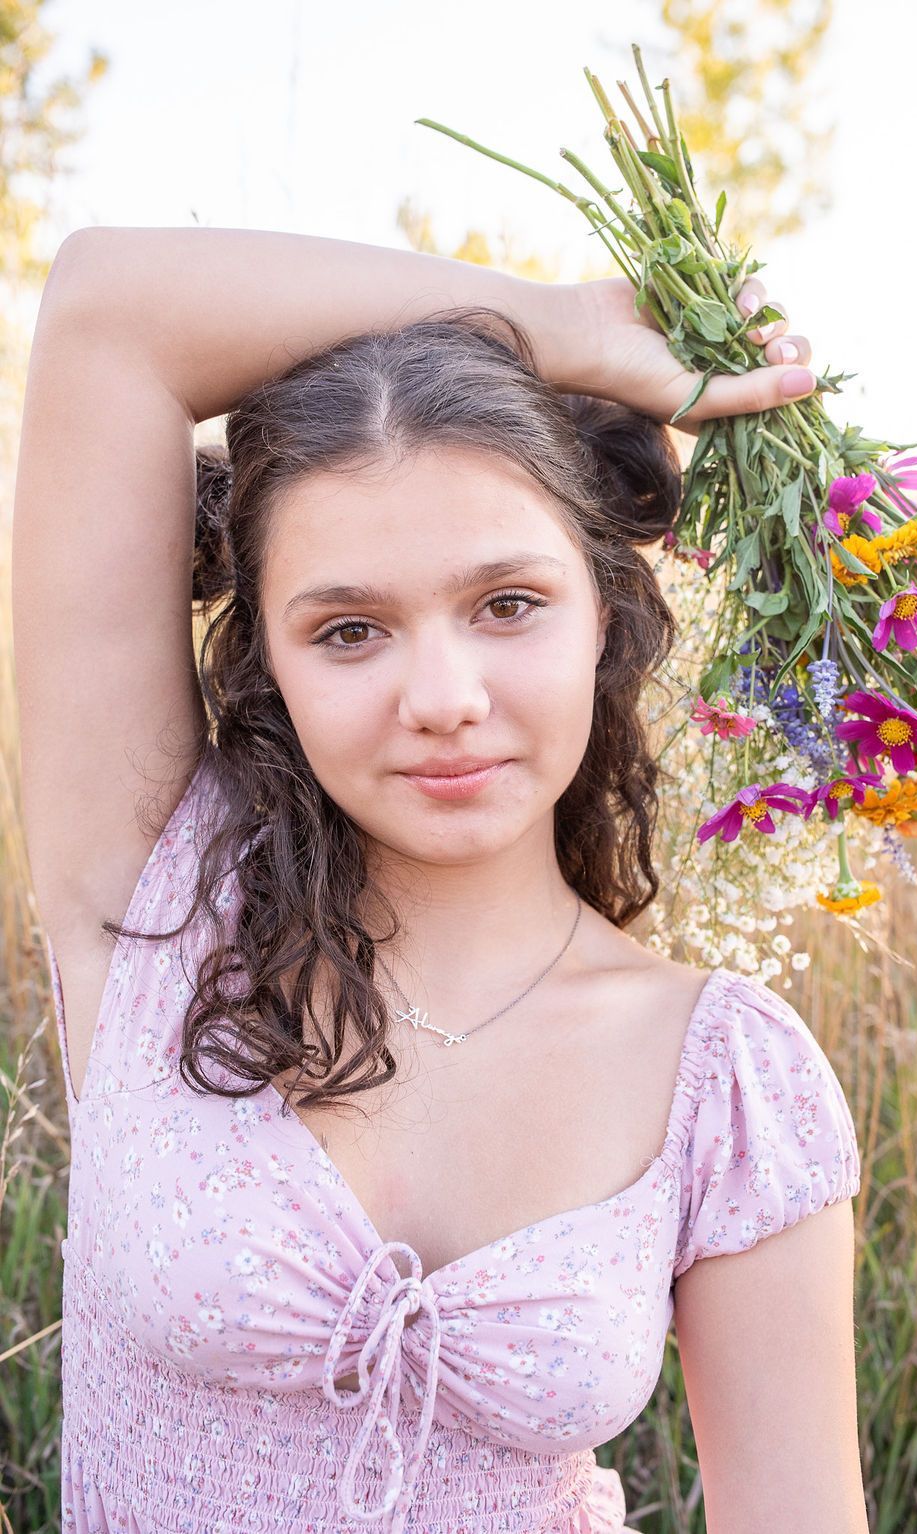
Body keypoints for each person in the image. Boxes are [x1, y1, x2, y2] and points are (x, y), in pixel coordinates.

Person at [12, 227, 868, 1533]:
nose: (443, 701)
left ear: (605, 608)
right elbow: (107, 311)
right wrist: (555, 325)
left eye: (507, 603)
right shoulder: (160, 898)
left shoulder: (728, 1080)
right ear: (270, 663)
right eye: (349, 629)